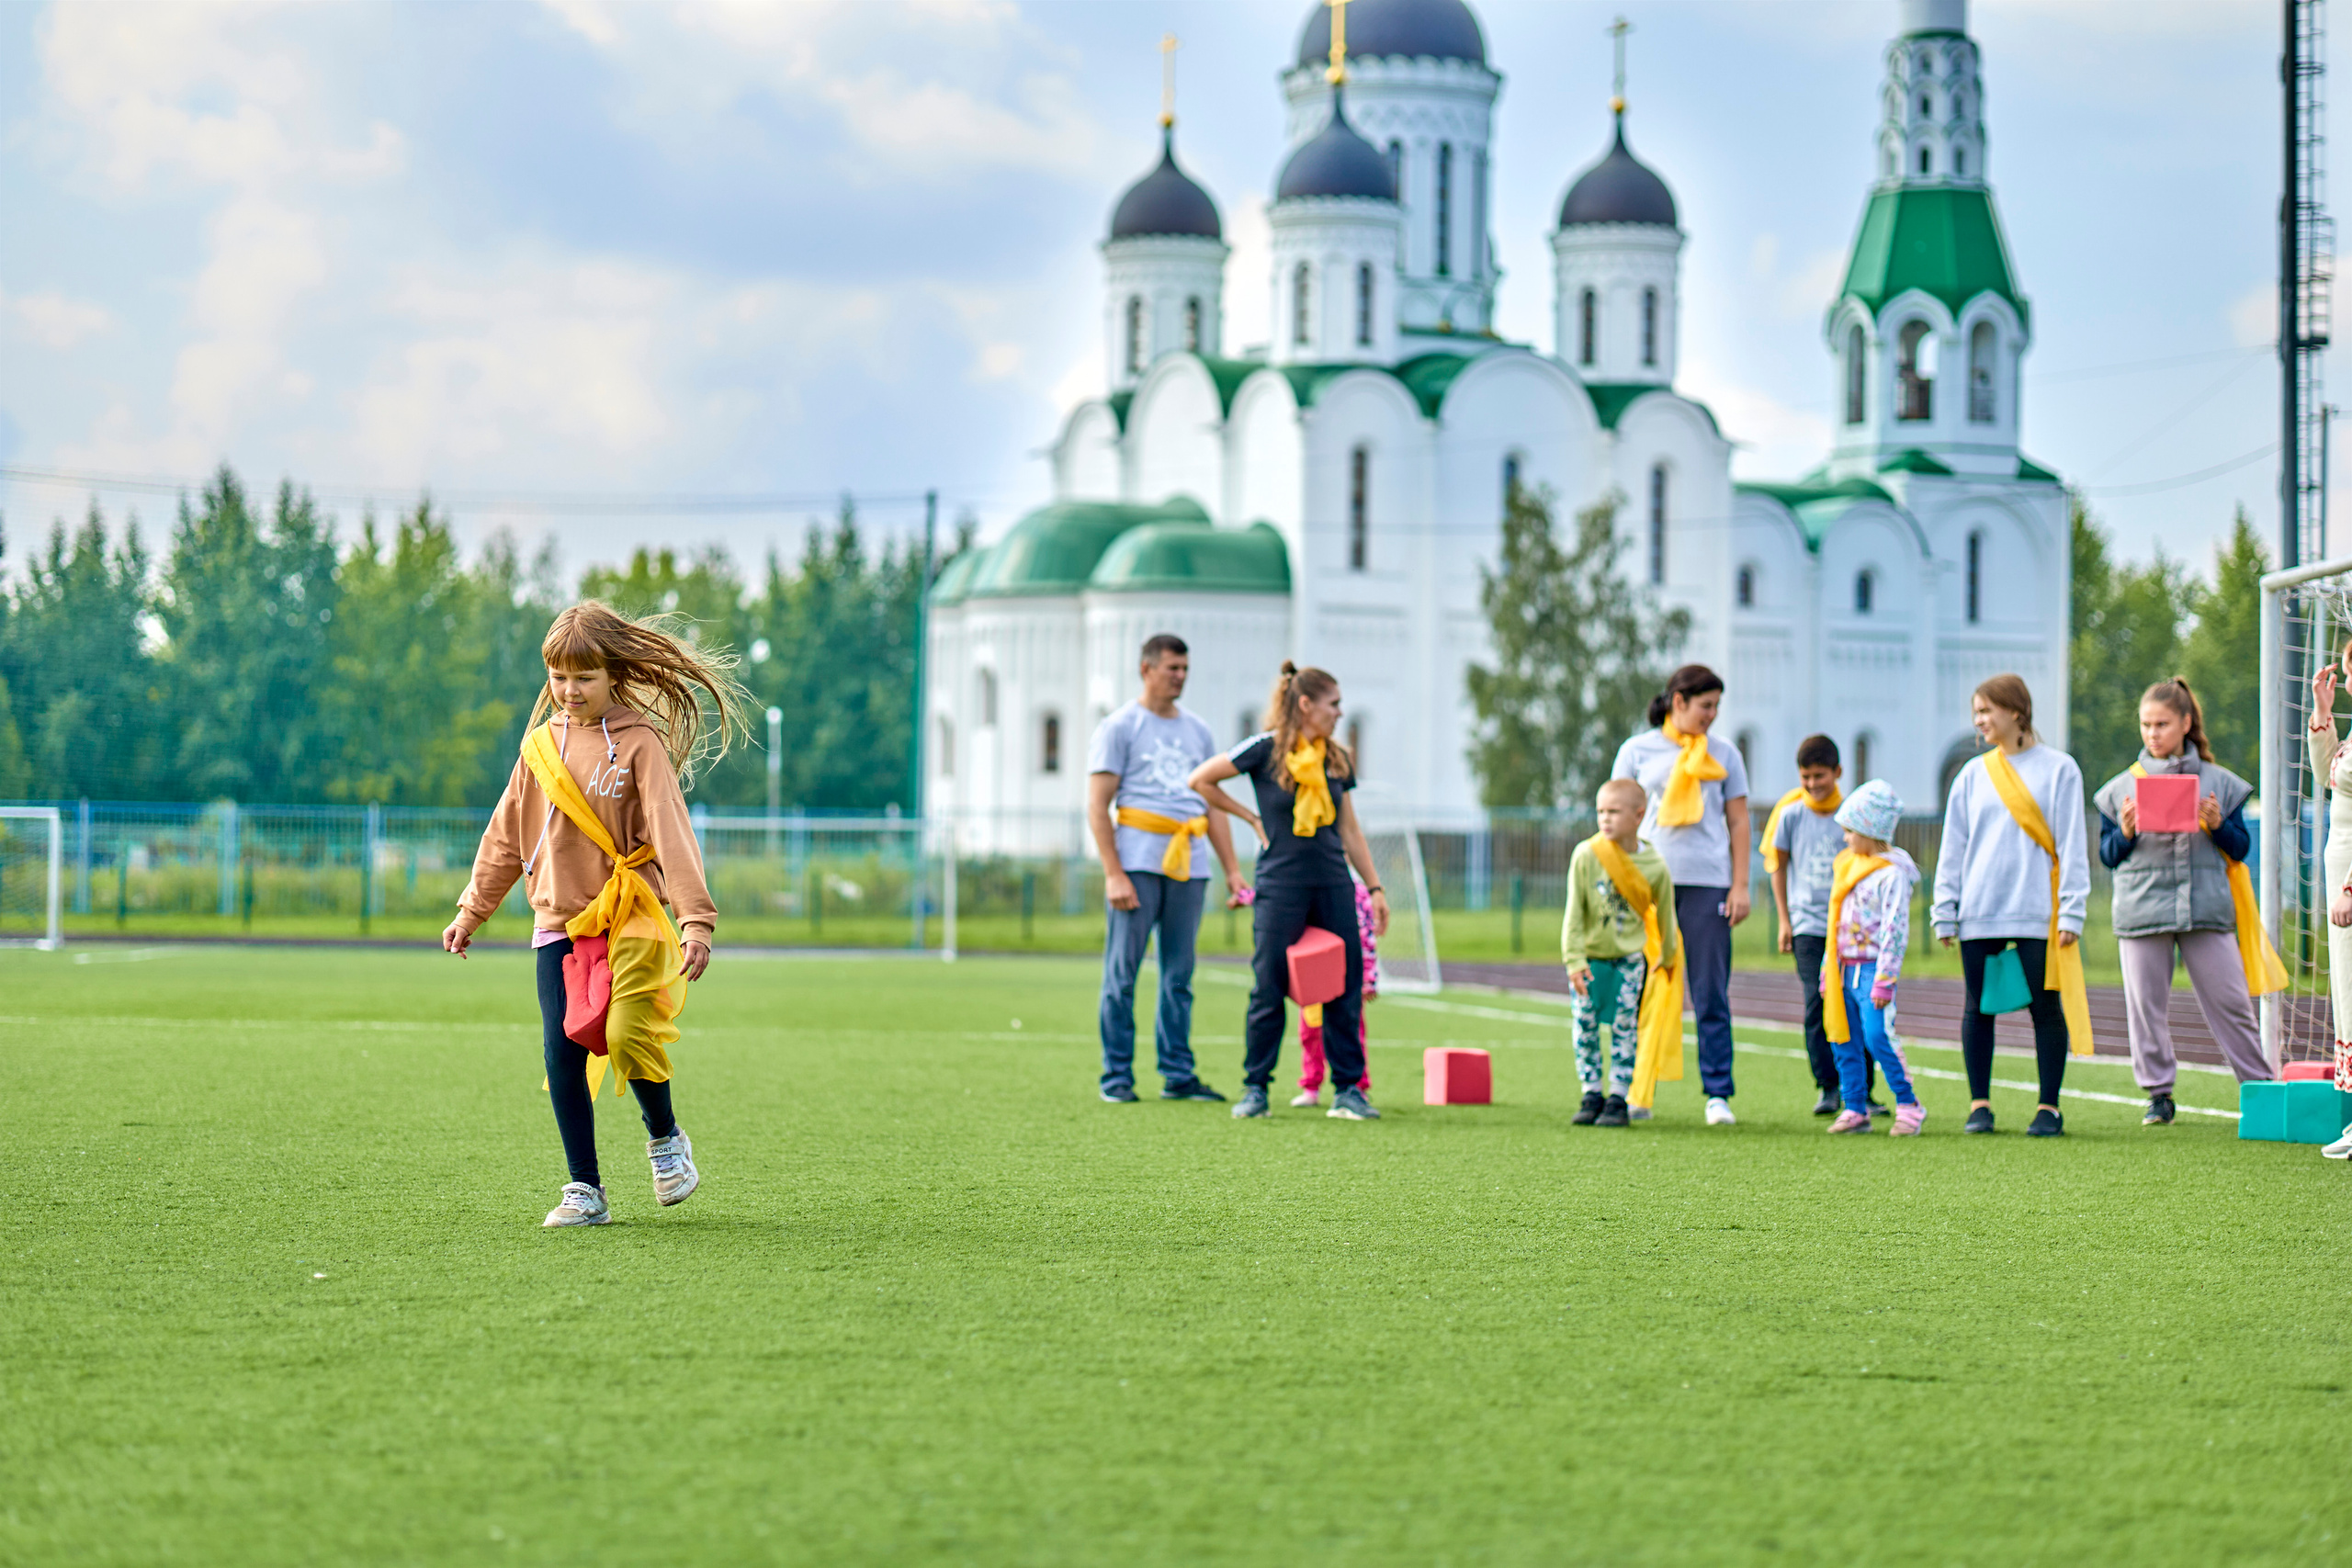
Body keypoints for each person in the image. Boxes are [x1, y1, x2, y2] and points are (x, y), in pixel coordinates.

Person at [446, 602, 752, 1226]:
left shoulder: (640, 744)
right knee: (562, 1048)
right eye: (558, 676)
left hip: (631, 913)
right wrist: (472, 908)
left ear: (614, 673)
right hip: (559, 919)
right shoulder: (538, 749)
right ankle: (584, 1189)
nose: (569, 689)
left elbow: (672, 832)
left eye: (583, 677)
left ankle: (665, 1136)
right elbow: (505, 836)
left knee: (623, 1032)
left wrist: (695, 918)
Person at [1188, 662, 1390, 1122]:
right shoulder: (1265, 750)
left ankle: (1348, 1091)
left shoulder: (1337, 757)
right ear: (1305, 705)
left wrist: (1374, 887)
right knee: (1268, 987)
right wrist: (1250, 818)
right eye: (1333, 704)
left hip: (1334, 881)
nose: (1340, 713)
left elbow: (1351, 829)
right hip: (1280, 886)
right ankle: (1255, 1088)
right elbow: (1200, 779)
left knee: (1346, 984)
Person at [2094, 677, 2278, 1126]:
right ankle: (2159, 1095)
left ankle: (2259, 1088)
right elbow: (2108, 856)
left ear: (2186, 723)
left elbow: (2239, 849)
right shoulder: (2119, 788)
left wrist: (2217, 825)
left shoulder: (2219, 783)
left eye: (2162, 723)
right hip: (2141, 912)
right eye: (2146, 724)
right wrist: (2126, 832)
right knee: (2146, 1008)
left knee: (2232, 1002)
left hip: (2206, 909)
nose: (2152, 733)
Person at [1084, 633, 1247, 1104]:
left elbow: (1212, 804)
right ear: (1146, 669)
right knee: (1123, 973)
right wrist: (1113, 872)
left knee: (1179, 975)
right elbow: (1098, 806)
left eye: (1184, 669)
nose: (1179, 677)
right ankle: (1116, 1077)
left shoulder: (1198, 731)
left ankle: (1178, 1074)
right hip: (1136, 863)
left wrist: (1233, 870)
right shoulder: (1120, 726)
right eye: (1171, 668)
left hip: (1189, 866)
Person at [1930, 673, 2091, 1138]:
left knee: (2045, 1007)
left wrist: (2073, 910)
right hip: (1979, 912)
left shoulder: (2060, 769)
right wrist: (1945, 908)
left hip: (2038, 912)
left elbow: (2071, 846)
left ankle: (2049, 1107)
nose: (1980, 721)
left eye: (1987, 711)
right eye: (1976, 713)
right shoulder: (1971, 775)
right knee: (1977, 1007)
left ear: (2015, 712)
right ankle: (1979, 1105)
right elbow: (1953, 847)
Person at [1610, 664, 1750, 1125]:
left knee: (1710, 991)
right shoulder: (1637, 750)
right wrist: (1615, 880)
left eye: (1716, 707)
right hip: (1646, 884)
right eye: (1705, 706)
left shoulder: (1725, 753)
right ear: (1678, 702)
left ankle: (1717, 1095)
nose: (1712, 715)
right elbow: (1616, 816)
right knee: (1640, 988)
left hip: (1708, 882)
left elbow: (1738, 821)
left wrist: (1741, 884)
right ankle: (1634, 1089)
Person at [1764, 734, 1876, 1116]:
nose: (1813, 785)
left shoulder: (1852, 813)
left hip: (1852, 929)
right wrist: (1784, 920)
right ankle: (1828, 1086)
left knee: (1857, 1003)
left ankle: (1862, 1089)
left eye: (1820, 776)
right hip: (1808, 926)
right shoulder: (1791, 814)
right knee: (1818, 1000)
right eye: (1806, 777)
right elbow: (1778, 868)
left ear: (1838, 772)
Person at [1561, 777, 1680, 1128]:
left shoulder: (1655, 865)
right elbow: (1574, 912)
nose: (1605, 819)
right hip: (1590, 959)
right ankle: (1591, 1093)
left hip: (1630, 960)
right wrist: (1573, 959)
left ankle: (1618, 1097)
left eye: (1613, 811)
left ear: (1638, 816)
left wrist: (1669, 958)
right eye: (1600, 811)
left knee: (1626, 1025)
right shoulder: (1586, 854)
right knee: (1585, 1024)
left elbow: (1667, 915)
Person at [1820, 781, 1925, 1135]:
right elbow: (1834, 922)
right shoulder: (1848, 866)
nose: (1846, 838)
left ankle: (1909, 1104)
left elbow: (1895, 929)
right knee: (1843, 1036)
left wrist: (1884, 978)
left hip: (1871, 970)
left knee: (1878, 1035)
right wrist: (1827, 969)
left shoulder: (1891, 874)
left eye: (1850, 830)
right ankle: (1855, 1107)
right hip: (1842, 968)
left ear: (1870, 829)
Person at [2301, 649, 2352, 1159]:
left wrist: (2350, 887)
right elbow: (2328, 778)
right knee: (2347, 991)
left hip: (2349, 884)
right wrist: (2322, 709)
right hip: (2339, 876)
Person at [1292, 873, 1377, 1108]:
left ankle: (1357, 1086)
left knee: (1352, 1031)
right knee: (1310, 1033)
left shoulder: (1358, 892)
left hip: (1346, 976)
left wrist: (1368, 977)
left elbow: (1366, 935)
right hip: (1314, 974)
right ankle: (1311, 1086)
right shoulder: (1305, 885)